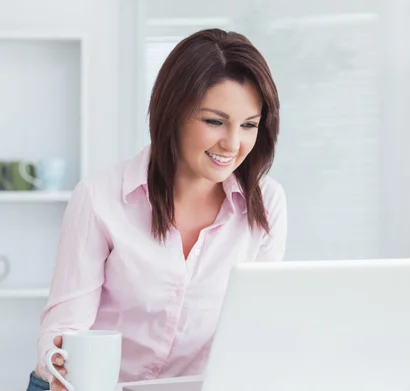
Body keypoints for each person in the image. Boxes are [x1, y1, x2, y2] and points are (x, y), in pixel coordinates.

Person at [26, 28, 287, 391]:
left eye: (249, 125)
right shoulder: (100, 197)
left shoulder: (266, 204)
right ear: (173, 112)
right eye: (214, 121)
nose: (232, 143)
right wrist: (58, 361)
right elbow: (65, 327)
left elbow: (256, 326)